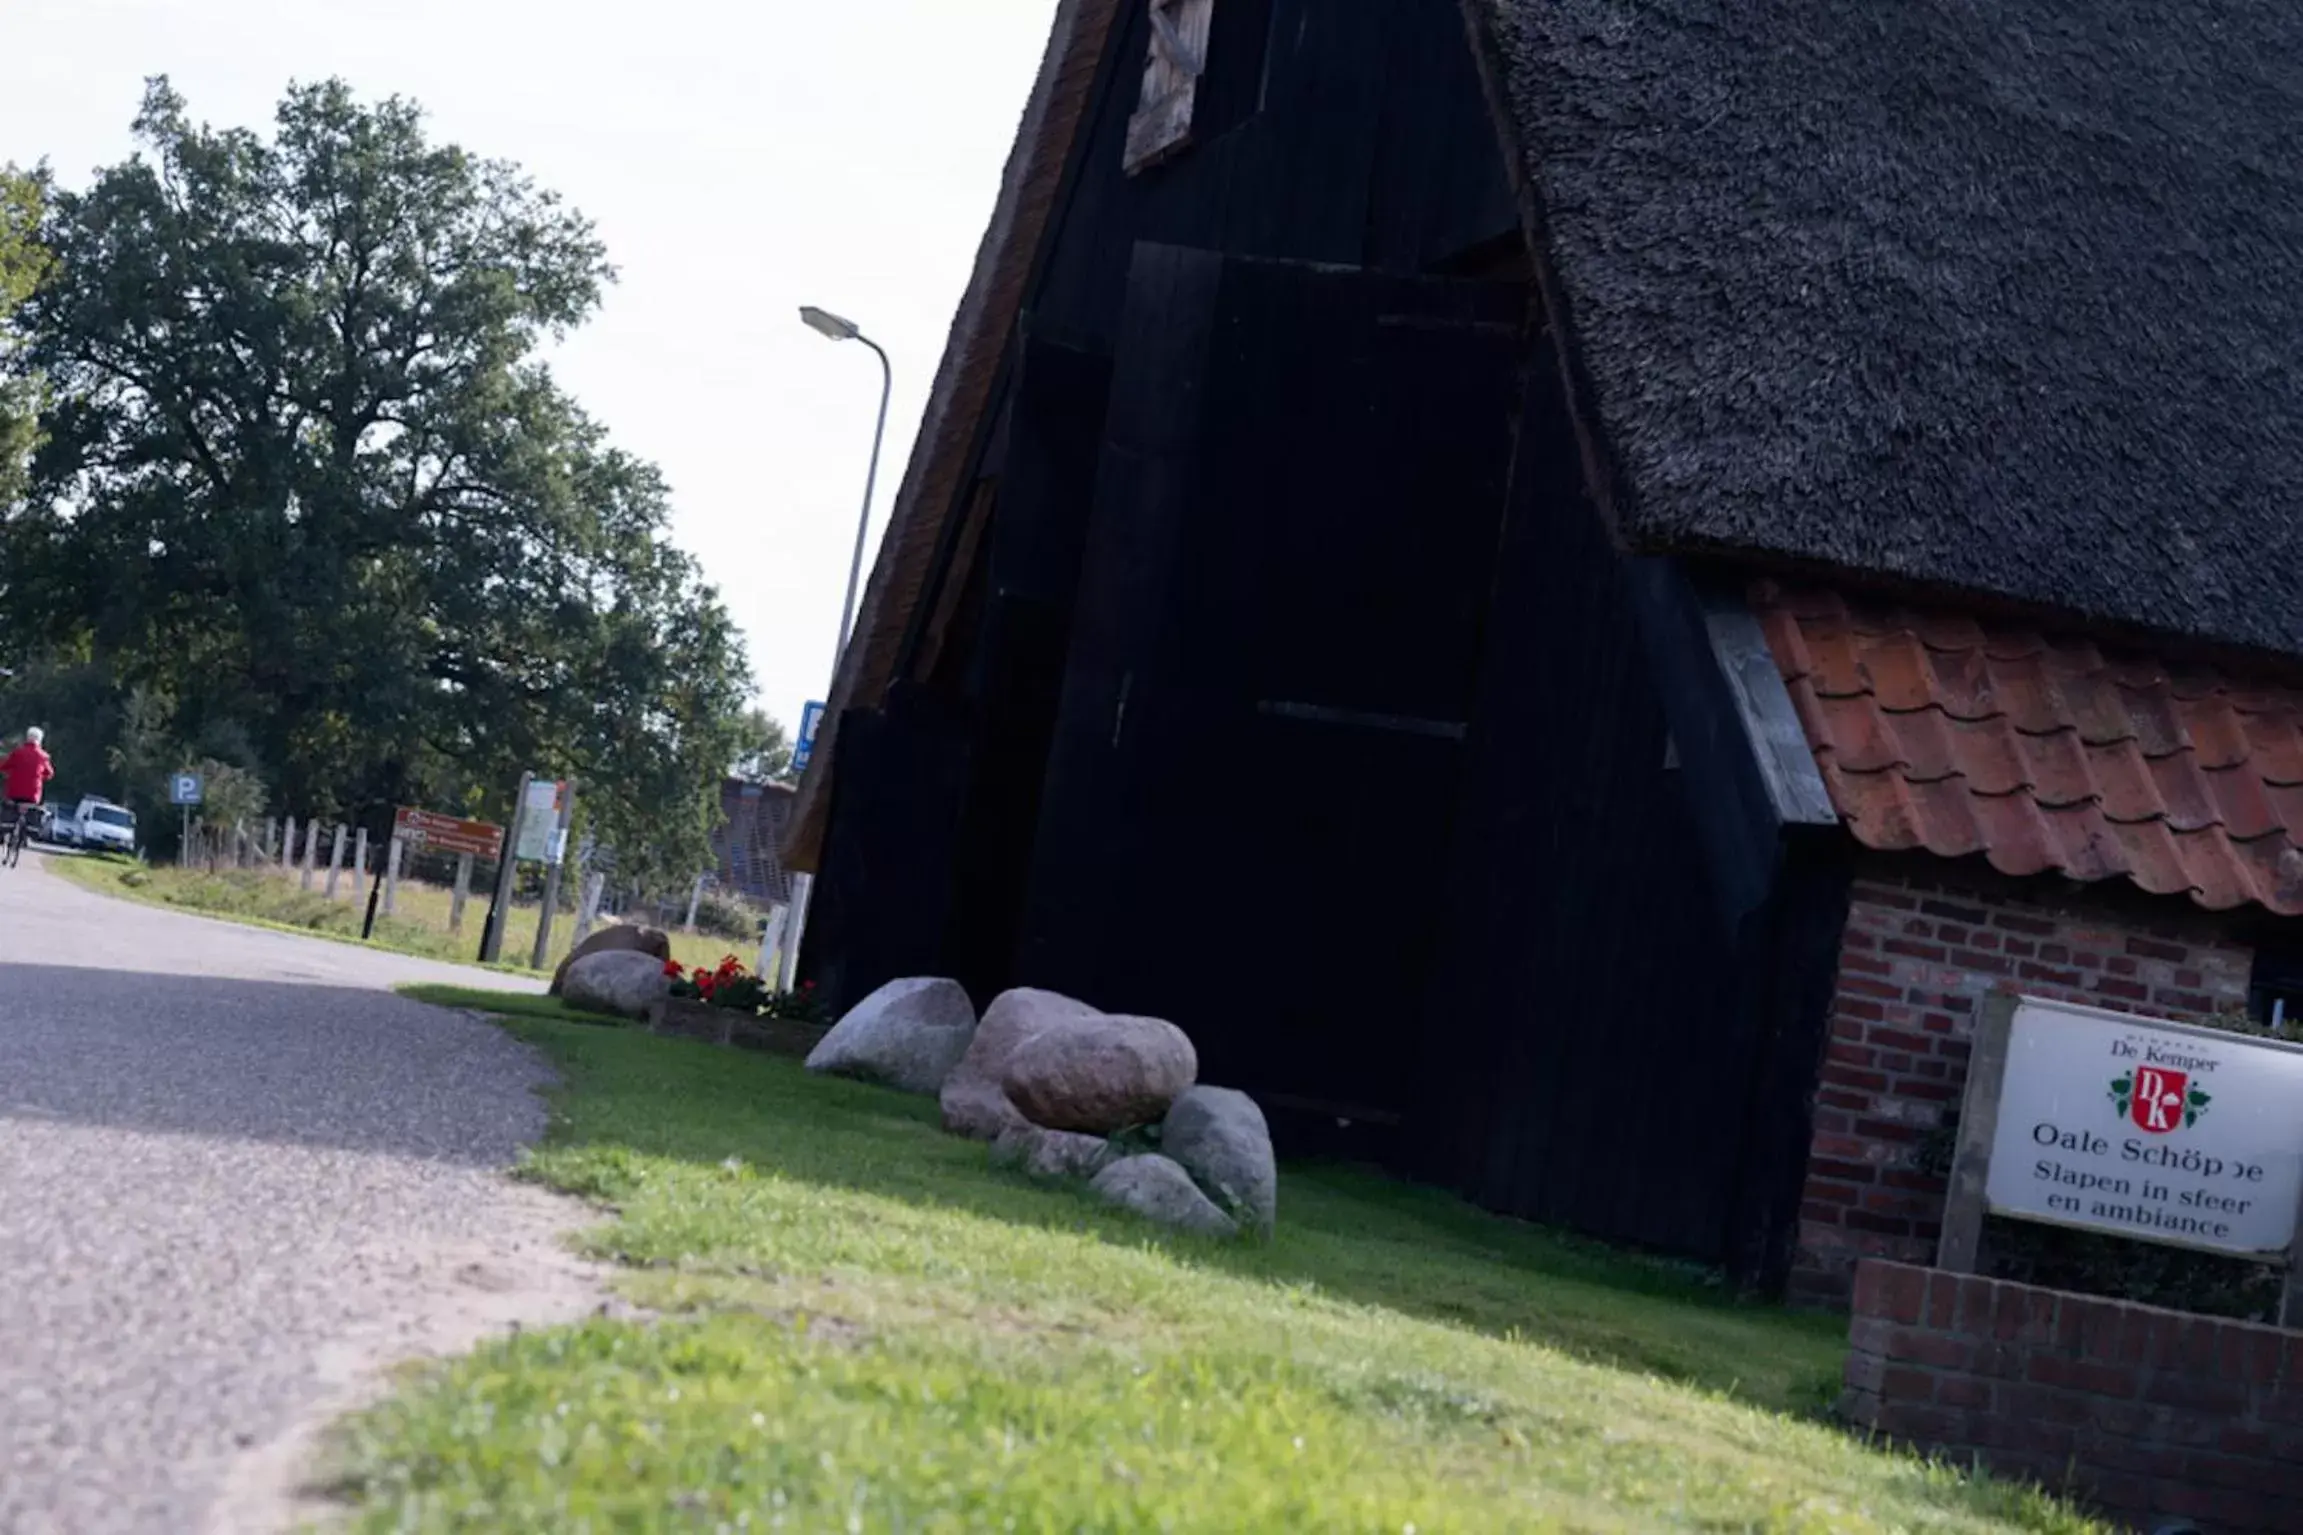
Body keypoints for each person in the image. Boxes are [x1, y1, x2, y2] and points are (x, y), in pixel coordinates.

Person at [2, 727, 53, 841]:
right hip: (32, 796)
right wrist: (40, 778)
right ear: (40, 740)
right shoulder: (43, 756)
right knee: (31, 809)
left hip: (14, 792)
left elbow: (4, 766)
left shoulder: (18, 752)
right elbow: (49, 774)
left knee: (9, 806)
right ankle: (26, 835)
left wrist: (10, 774)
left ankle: (5, 829)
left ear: (27, 738)